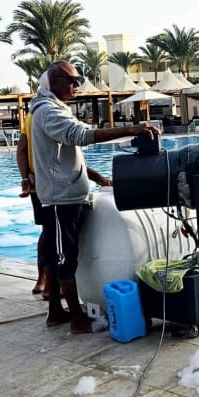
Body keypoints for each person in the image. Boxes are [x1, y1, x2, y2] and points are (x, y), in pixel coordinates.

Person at [28, 62, 159, 333]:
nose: (77, 85)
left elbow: (65, 155)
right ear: (54, 81)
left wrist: (97, 178)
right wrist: (130, 129)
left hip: (65, 196)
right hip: (60, 200)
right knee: (64, 258)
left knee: (56, 253)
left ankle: (55, 312)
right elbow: (81, 136)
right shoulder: (49, 112)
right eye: (72, 80)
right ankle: (77, 320)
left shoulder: (55, 109)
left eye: (79, 79)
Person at [17, 106, 112, 299]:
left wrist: (98, 178)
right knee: (52, 237)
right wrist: (25, 178)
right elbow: (24, 150)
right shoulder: (45, 114)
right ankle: (49, 285)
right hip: (49, 187)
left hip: (45, 184)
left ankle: (46, 283)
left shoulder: (40, 114)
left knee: (50, 234)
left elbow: (69, 160)